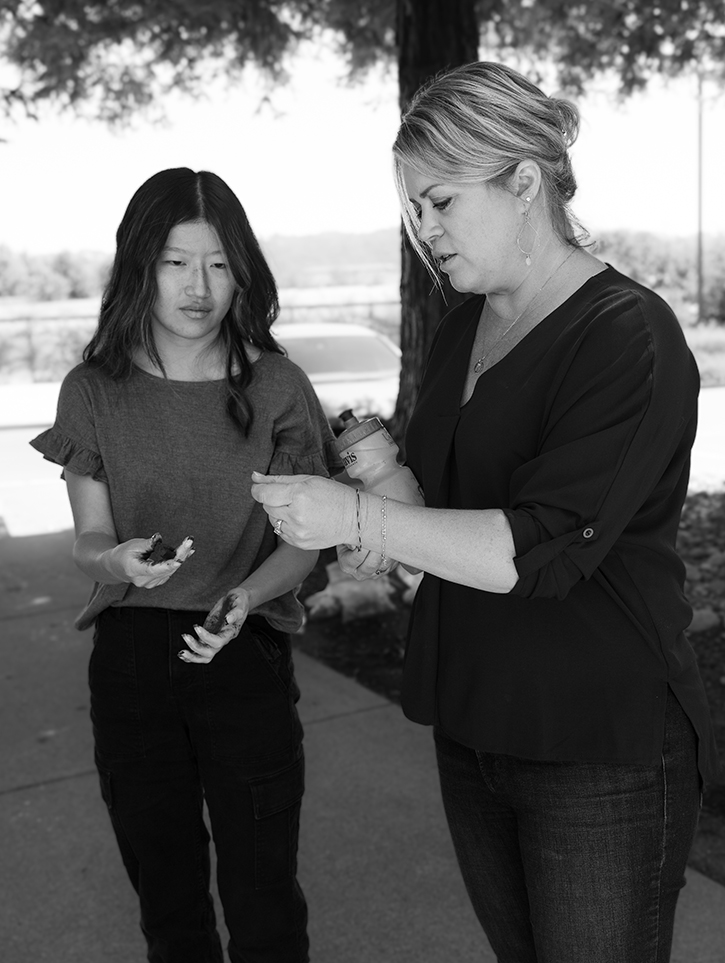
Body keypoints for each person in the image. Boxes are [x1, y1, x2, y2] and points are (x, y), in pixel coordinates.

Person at [249, 62, 721, 962]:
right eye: (412, 211)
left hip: (597, 744)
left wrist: (353, 517)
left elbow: (534, 552)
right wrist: (373, 471)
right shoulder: (463, 325)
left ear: (523, 182)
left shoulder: (626, 335)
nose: (423, 232)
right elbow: (435, 519)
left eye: (439, 202)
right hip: (475, 721)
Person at [31, 168, 341, 963]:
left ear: (243, 271)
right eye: (175, 262)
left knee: (265, 901)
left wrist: (246, 594)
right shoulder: (93, 391)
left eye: (217, 263)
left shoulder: (276, 386)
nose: (199, 287)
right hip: (132, 664)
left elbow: (303, 540)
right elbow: (87, 539)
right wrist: (117, 560)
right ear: (141, 267)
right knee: (170, 911)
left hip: (243, 653)